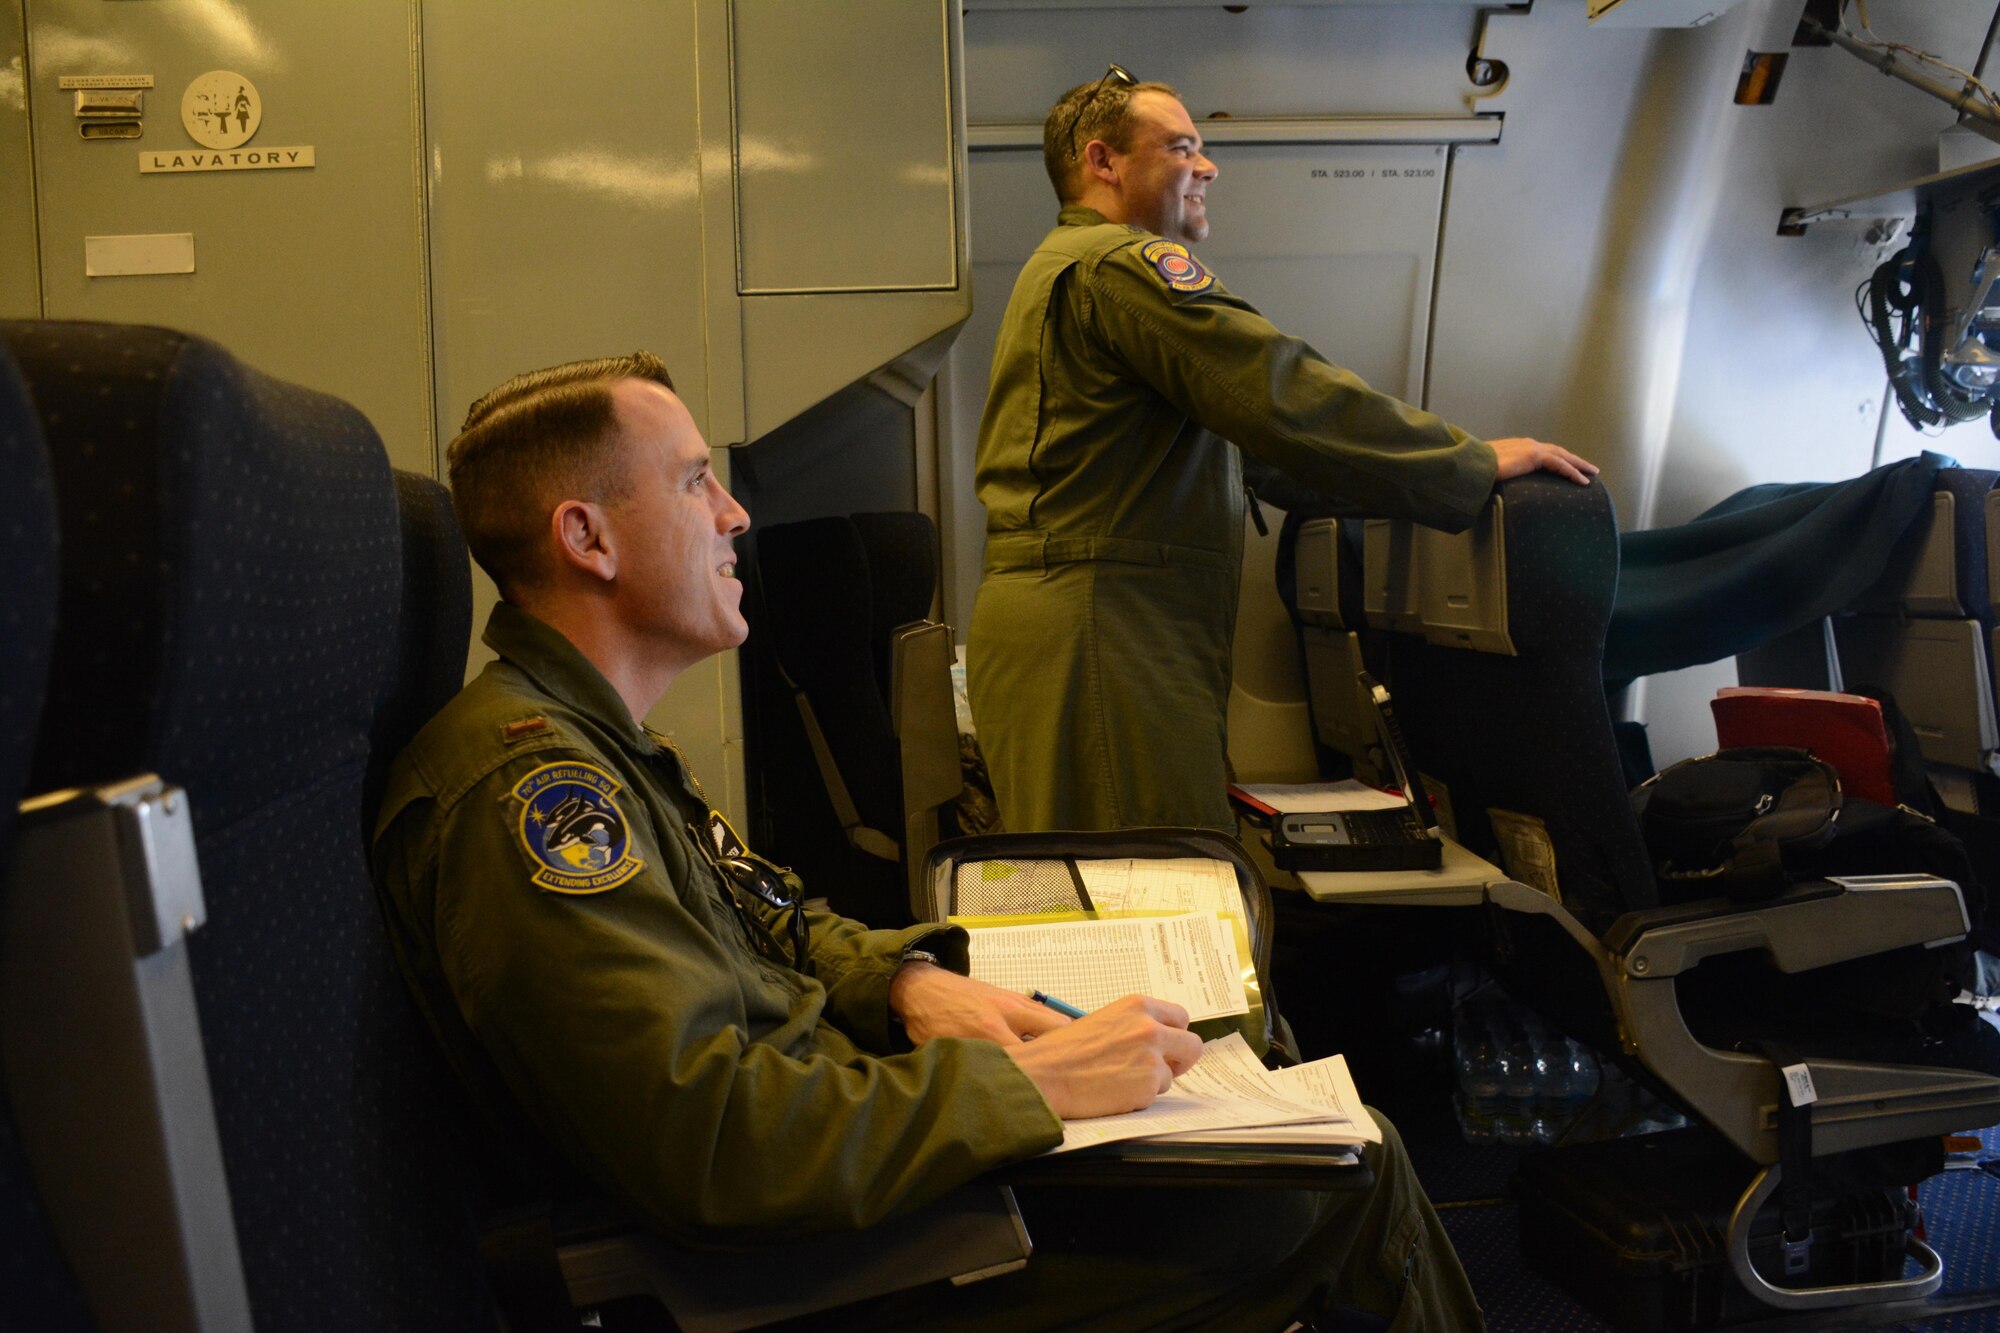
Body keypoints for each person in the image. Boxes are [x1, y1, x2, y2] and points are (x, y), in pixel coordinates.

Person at [371, 351, 1486, 1329]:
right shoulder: (534, 793)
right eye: (692, 479)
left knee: (1273, 1090)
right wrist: (1039, 1088)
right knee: (1346, 1178)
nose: (733, 514)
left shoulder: (599, 743)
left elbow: (776, 919)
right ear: (588, 537)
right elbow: (712, 1140)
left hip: (836, 1160)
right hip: (775, 1265)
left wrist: (907, 985)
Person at [968, 68, 1599, 835]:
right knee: (1152, 889)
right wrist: (1468, 461)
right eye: (1181, 147)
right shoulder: (1120, 266)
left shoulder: (1068, 270)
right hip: (1105, 629)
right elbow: (1280, 393)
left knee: (1116, 891)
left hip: (1090, 624)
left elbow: (1258, 452)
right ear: (1104, 162)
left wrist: (1411, 489)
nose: (1207, 167)